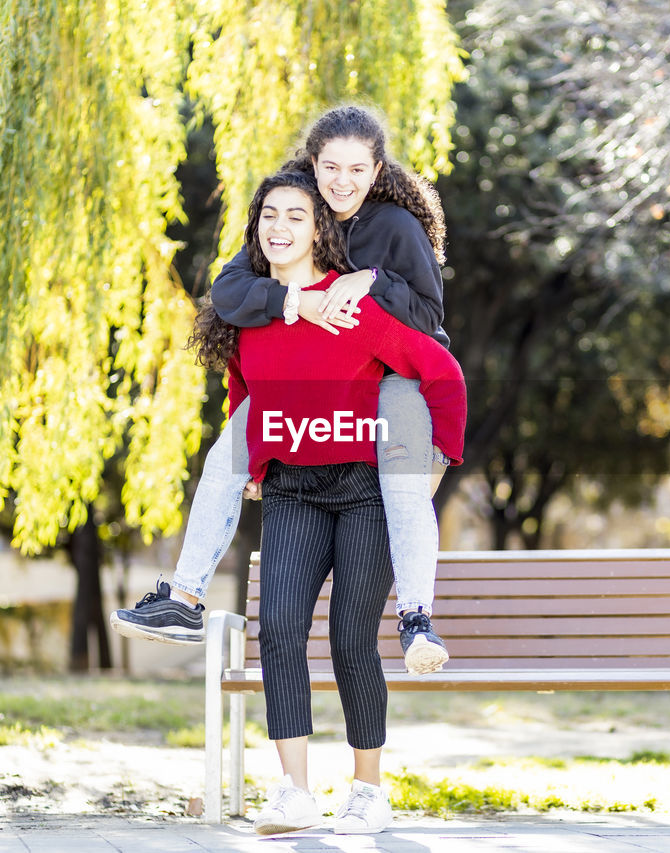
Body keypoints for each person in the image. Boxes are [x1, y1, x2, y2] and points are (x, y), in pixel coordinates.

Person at [111, 105, 454, 675]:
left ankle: (417, 616)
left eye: (356, 170)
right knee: (226, 455)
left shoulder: (395, 227)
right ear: (312, 165)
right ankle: (184, 600)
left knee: (403, 480)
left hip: (395, 374)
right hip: (320, 381)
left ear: (376, 171)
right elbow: (230, 290)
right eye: (330, 167)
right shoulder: (295, 213)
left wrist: (366, 280)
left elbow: (428, 316)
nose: (341, 182)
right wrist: (302, 302)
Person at [194, 170, 465, 834]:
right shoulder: (253, 308)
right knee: (278, 630)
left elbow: (441, 371)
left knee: (350, 636)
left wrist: (436, 462)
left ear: (320, 230)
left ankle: (368, 790)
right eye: (268, 217)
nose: (279, 227)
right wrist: (256, 458)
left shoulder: (351, 304)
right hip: (291, 489)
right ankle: (294, 790)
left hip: (364, 490)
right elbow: (244, 389)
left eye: (296, 216)